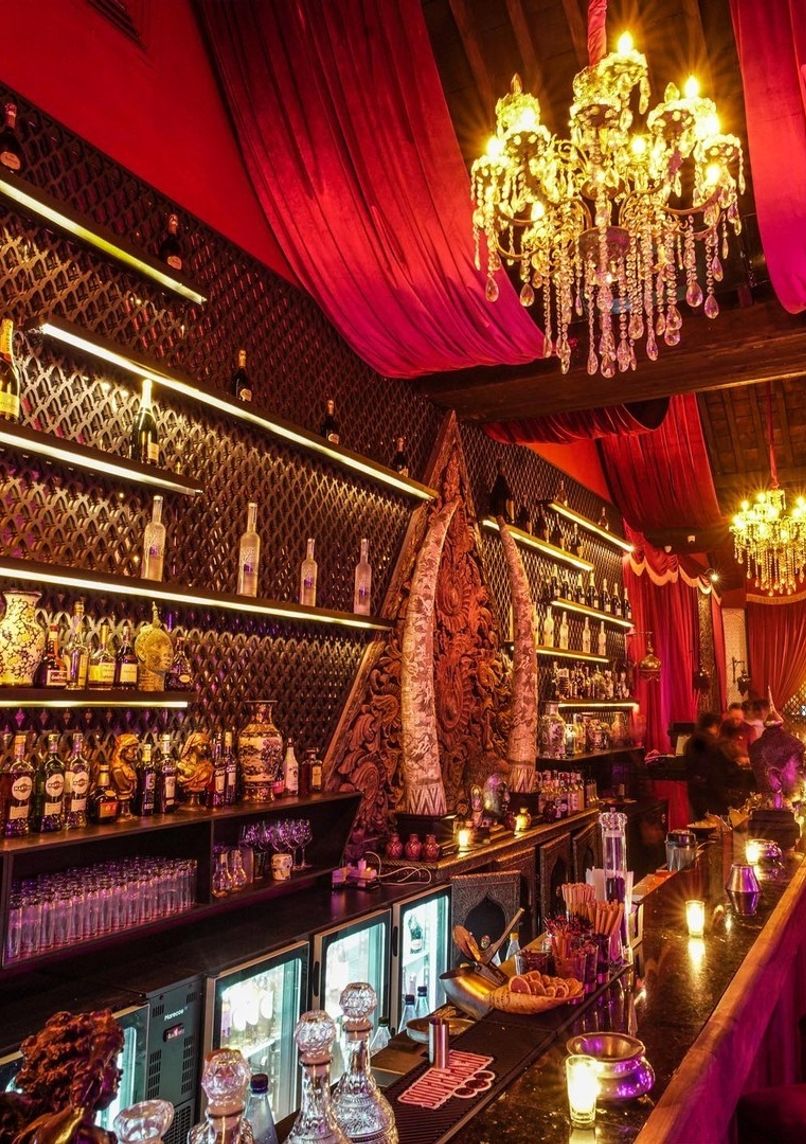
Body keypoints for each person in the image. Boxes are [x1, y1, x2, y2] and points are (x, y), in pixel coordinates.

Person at [685, 711, 745, 819]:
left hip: (694, 791)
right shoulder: (713, 743)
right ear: (715, 725)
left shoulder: (690, 741)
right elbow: (721, 769)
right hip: (712, 794)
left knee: (700, 823)